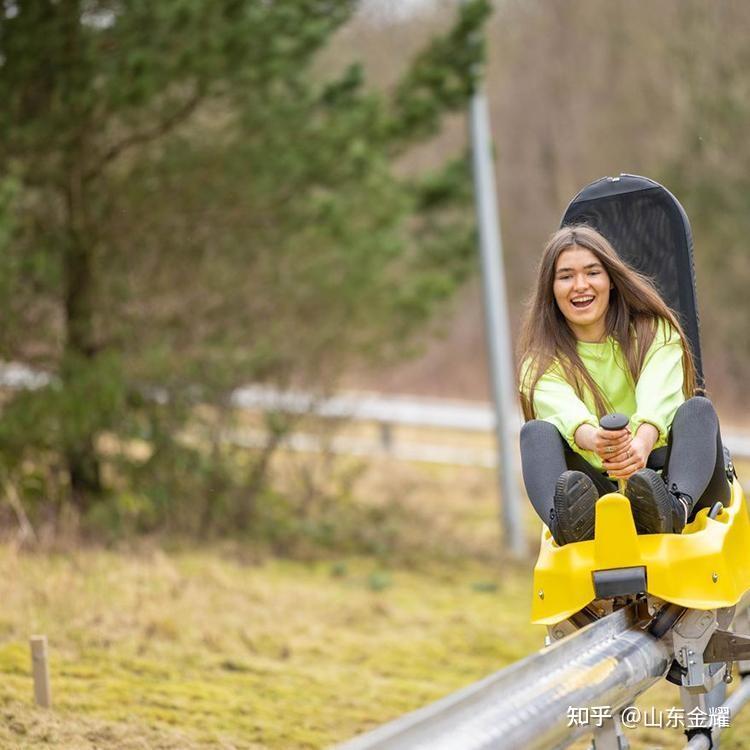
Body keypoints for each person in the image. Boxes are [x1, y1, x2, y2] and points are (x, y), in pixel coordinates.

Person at [517, 224, 730, 546]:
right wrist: (601, 443)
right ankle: (571, 527)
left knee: (698, 409)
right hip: (598, 493)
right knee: (535, 433)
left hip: (672, 478)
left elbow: (660, 393)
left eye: (592, 272)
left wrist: (641, 444)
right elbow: (563, 411)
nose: (580, 285)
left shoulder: (654, 332)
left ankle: (671, 510)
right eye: (565, 276)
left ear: (611, 281)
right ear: (551, 288)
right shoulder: (540, 362)